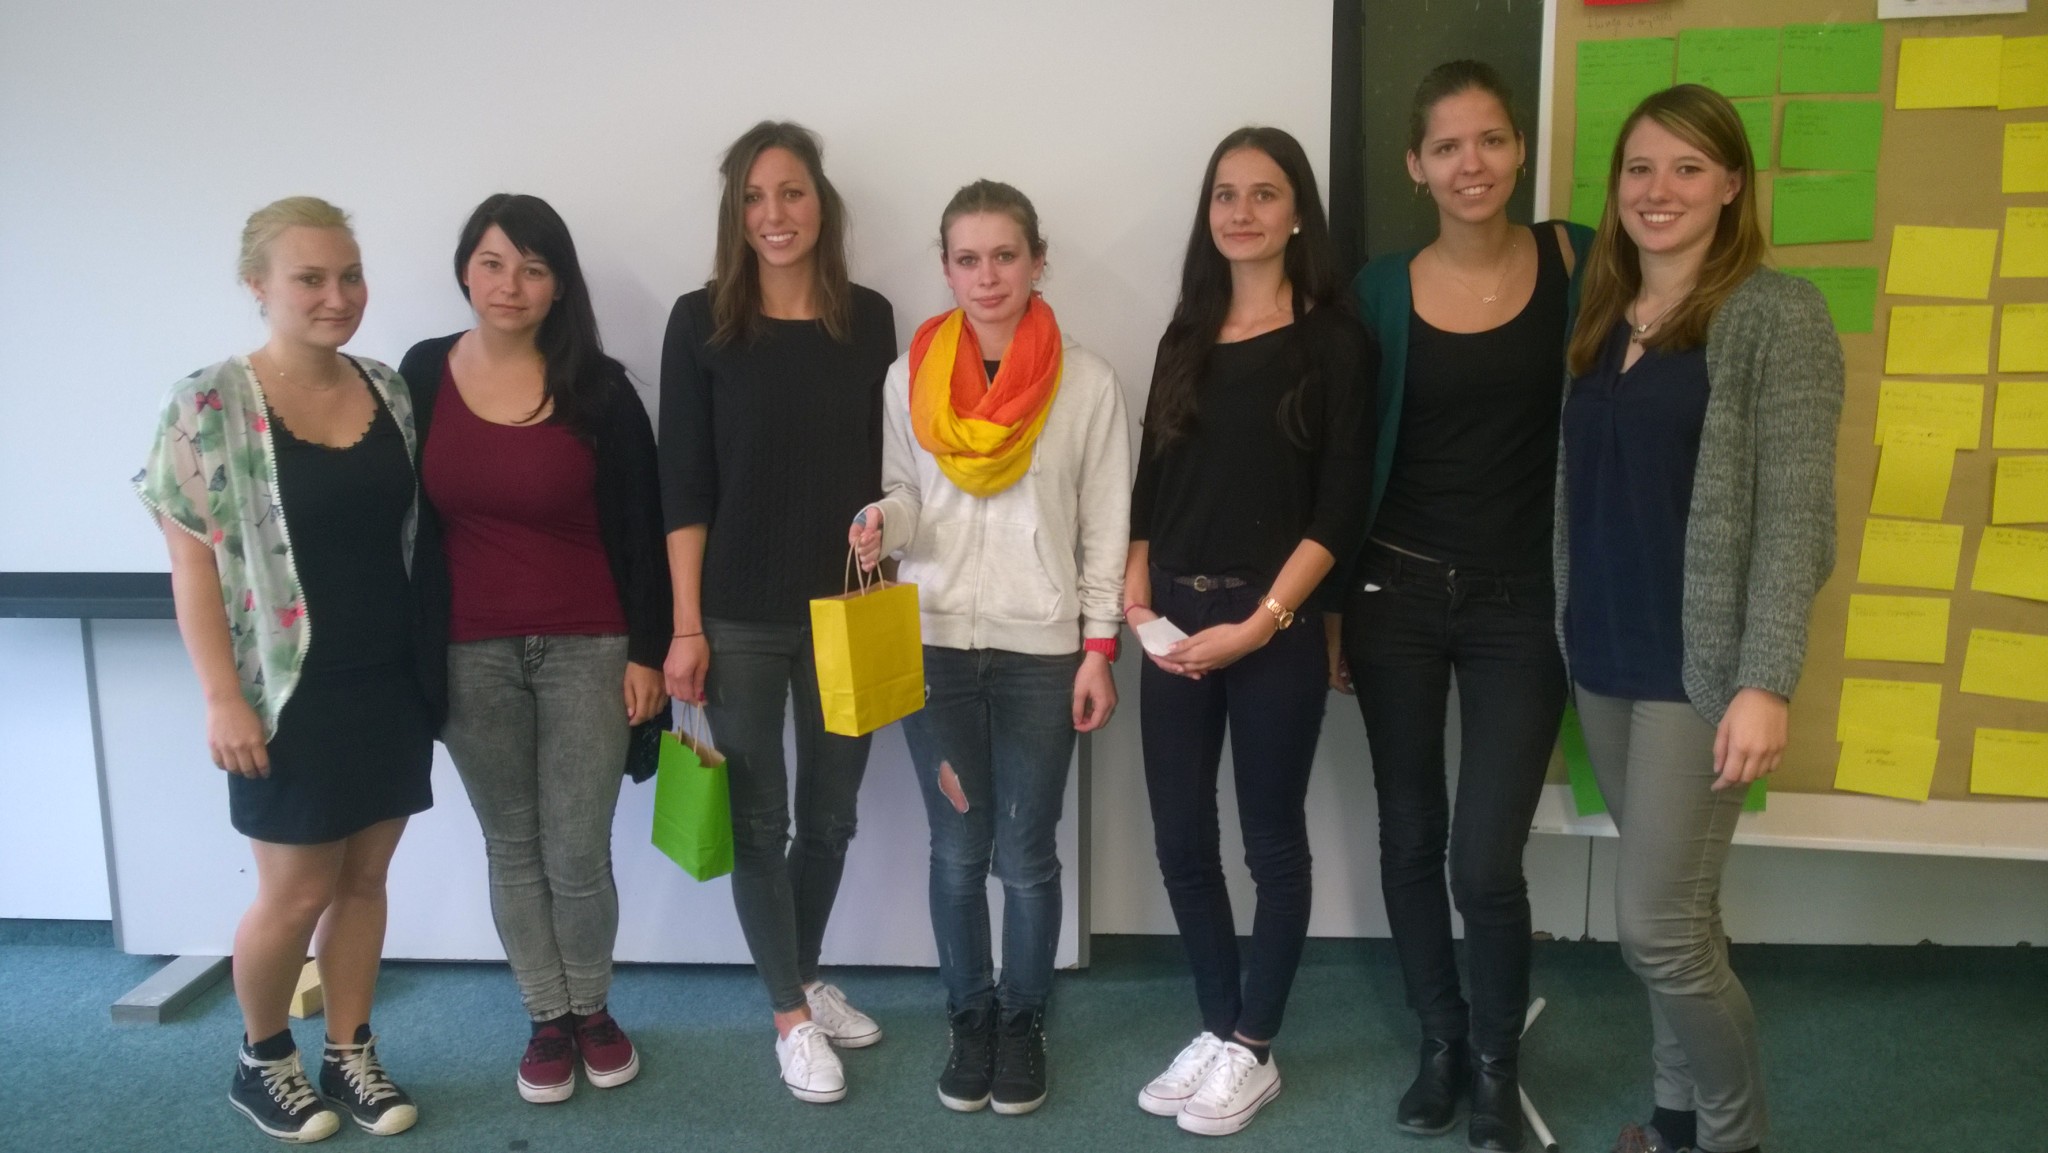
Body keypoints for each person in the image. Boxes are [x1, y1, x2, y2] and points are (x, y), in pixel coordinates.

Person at [1559, 85, 1841, 1153]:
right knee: (1681, 913)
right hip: (1603, 654)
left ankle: (1731, 1137)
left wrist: (1764, 679)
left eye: (1687, 168)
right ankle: (1674, 1122)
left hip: (1700, 672)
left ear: (1730, 184)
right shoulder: (1603, 314)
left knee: (1657, 932)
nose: (1658, 189)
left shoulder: (1776, 314)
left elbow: (1796, 518)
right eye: (1639, 168)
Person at [1339, 61, 1592, 1152]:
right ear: (1415, 165)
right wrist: (1331, 611)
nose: (1470, 164)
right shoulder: (1378, 290)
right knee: (1407, 833)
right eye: (1446, 146)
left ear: (1519, 149)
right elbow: (1345, 453)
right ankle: (1439, 1040)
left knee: (1483, 860)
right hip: (1391, 591)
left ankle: (1496, 1061)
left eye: (1489, 139)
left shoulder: (1578, 261)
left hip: (1520, 603)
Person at [138, 196, 427, 1142]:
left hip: (387, 677)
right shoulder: (207, 402)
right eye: (310, 278)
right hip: (283, 690)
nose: (337, 295)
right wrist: (222, 697)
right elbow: (191, 564)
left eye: (350, 275)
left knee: (365, 882)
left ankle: (349, 1052)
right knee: (296, 891)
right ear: (257, 285)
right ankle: (262, 1058)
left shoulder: (389, 389)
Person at [849, 180, 1129, 1117]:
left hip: (1041, 653)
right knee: (957, 847)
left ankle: (1023, 1017)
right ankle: (970, 1015)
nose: (987, 275)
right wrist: (881, 523)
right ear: (946, 268)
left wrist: (1098, 647)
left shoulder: (1086, 382)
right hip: (934, 645)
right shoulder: (910, 376)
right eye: (967, 258)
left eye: (1005, 255)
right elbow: (907, 493)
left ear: (1038, 261)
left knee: (1027, 852)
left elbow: (1104, 525)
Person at [1125, 126, 1374, 1138]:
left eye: (1263, 194)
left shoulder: (1336, 341)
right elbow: (1148, 490)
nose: (1241, 212)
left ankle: (1255, 1045)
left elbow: (1339, 510)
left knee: (1270, 842)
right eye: (1224, 194)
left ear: (1297, 211)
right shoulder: (1183, 336)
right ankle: (1218, 1025)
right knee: (1181, 839)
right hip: (1172, 624)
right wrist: (1137, 605)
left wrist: (1260, 622)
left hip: (1275, 623)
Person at [401, 193, 672, 1106]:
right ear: (464, 270)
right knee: (512, 846)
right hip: (467, 652)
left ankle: (592, 1010)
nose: (509, 284)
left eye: (533, 267)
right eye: (492, 262)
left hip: (591, 648)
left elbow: (643, 528)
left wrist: (647, 652)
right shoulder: (422, 375)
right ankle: (545, 1017)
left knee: (577, 849)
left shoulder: (601, 389)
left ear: (559, 285)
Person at [659, 121, 899, 1105]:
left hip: (851, 609)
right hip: (740, 616)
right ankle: (791, 1018)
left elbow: (892, 467)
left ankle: (797, 975)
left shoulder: (869, 320)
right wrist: (685, 625)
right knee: (758, 822)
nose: (774, 214)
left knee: (830, 816)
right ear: (735, 213)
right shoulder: (700, 322)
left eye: (791, 192)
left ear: (820, 203)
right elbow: (683, 484)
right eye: (754, 197)